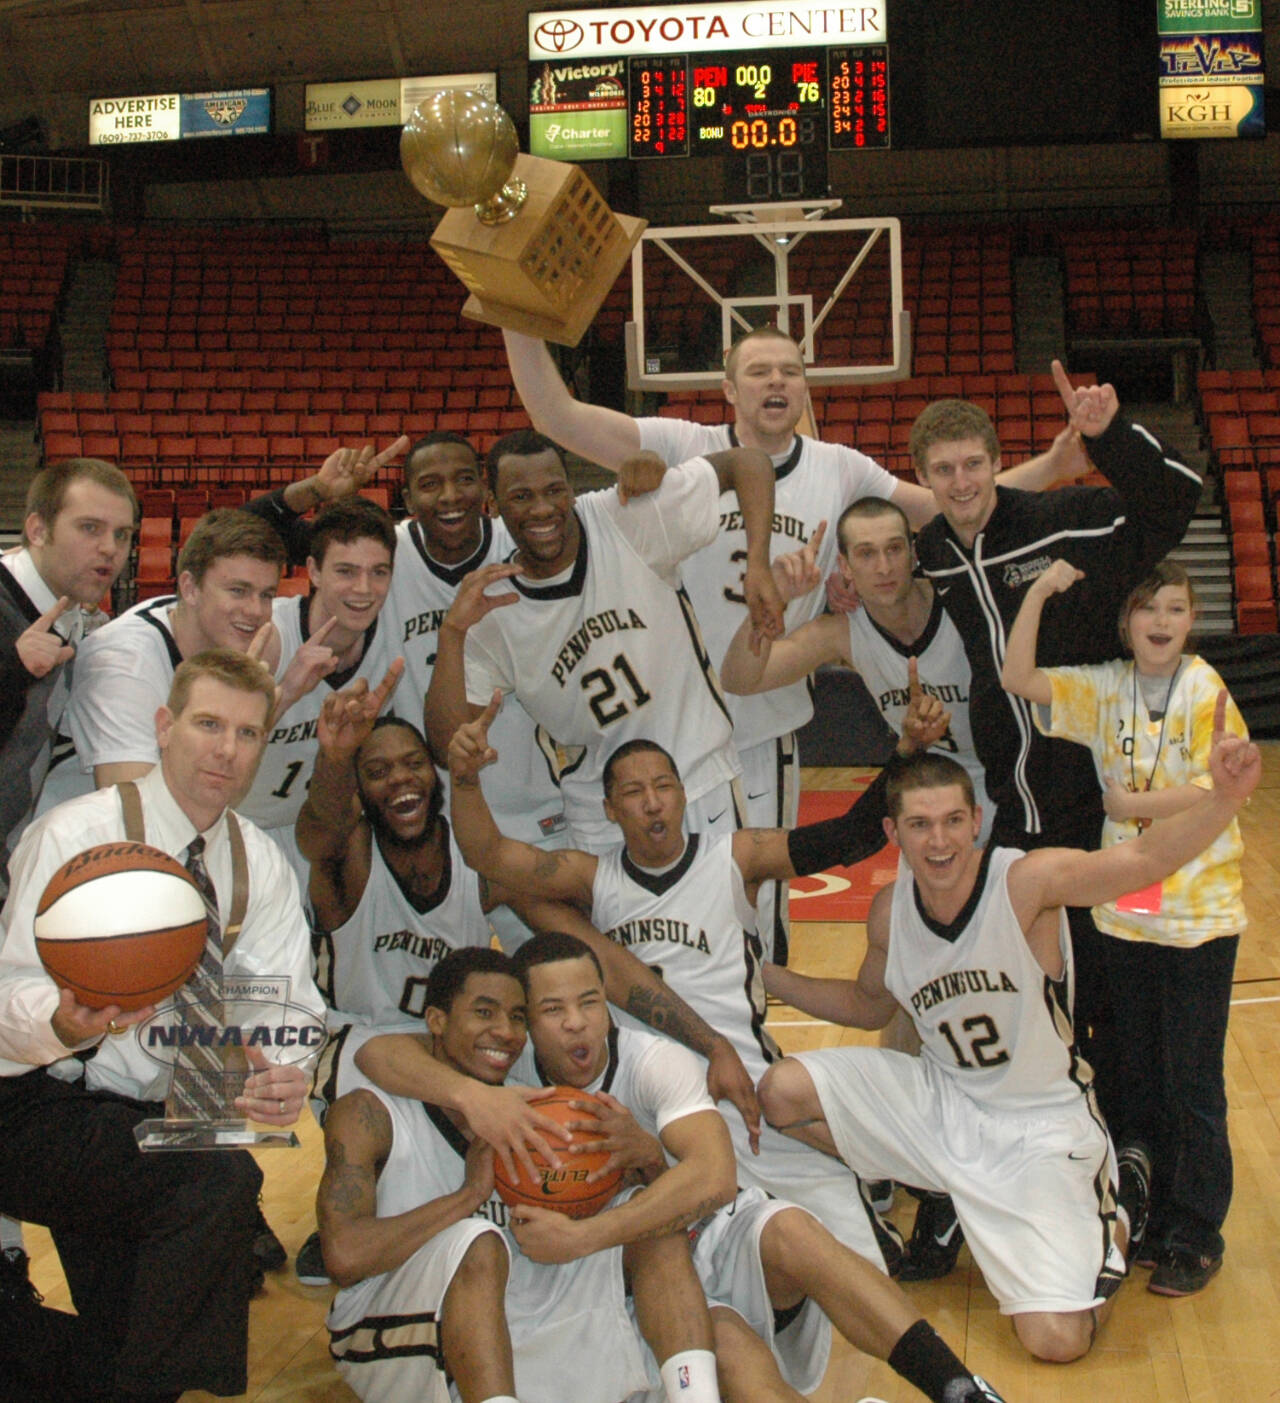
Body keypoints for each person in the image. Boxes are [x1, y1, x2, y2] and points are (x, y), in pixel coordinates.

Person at [502, 325, 1076, 963]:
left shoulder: (837, 467)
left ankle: (752, 1035)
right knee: (633, 917)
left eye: (790, 371)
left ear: (805, 388)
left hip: (758, 732)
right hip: (662, 728)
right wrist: (514, 312)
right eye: (758, 372)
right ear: (727, 388)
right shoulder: (683, 444)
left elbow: (953, 504)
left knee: (751, 911)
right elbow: (556, 415)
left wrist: (1055, 464)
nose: (776, 382)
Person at [754, 709, 1259, 1363]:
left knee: (1056, 1339)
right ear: (892, 831)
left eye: (952, 822)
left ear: (975, 821)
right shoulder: (889, 912)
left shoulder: (1025, 883)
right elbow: (866, 1004)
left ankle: (1123, 1204)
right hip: (943, 1104)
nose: (939, 841)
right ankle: (953, 1191)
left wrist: (1224, 797)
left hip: (1037, 1126)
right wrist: (766, 975)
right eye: (919, 824)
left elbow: (1144, 856)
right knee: (779, 1092)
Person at [435, 682, 950, 1274]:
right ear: (609, 810)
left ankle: (923, 1177)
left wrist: (905, 752)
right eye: (633, 792)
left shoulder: (736, 856)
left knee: (862, 1267)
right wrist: (467, 780)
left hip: (745, 1088)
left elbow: (845, 840)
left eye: (663, 787)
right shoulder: (591, 877)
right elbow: (489, 854)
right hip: (651, 1102)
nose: (652, 803)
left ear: (683, 795)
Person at [0, 649, 325, 1401]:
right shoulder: (75, 834)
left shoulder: (258, 861)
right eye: (208, 723)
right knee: (218, 1182)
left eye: (248, 733)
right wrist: (60, 1018)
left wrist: (284, 1070)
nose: (227, 749)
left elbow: (287, 1005)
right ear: (162, 725)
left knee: (129, 1332)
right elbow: (7, 992)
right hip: (31, 1100)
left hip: (146, 1117)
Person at [502, 930, 1006, 1403]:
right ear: (524, 1019)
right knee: (732, 1355)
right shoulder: (506, 1086)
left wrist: (648, 1163)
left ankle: (959, 1389)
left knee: (792, 1229)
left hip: (707, 1242)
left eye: (590, 1002)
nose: (577, 1021)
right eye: (554, 1009)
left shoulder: (651, 1062)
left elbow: (716, 1178)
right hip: (627, 1282)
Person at [319, 946, 723, 1403]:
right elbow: (344, 1257)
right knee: (477, 1240)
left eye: (516, 1017)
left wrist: (644, 1164)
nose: (505, 1032)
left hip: (504, 1317)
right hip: (387, 1321)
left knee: (647, 1219)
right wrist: (468, 1196)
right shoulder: (368, 1112)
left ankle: (696, 1397)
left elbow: (637, 1204)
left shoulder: (537, 1107)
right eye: (484, 1012)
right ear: (436, 1021)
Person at [1001, 557, 1246, 1297]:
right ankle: (1151, 1205)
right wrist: (1040, 590)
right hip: (1126, 914)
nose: (1162, 621)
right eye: (1149, 609)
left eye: (1176, 608)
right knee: (1138, 1071)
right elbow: (1019, 678)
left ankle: (1197, 1227)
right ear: (1127, 623)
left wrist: (1126, 802)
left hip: (1199, 917)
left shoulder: (1205, 687)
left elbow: (1222, 785)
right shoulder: (1105, 684)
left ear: (1191, 620)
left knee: (1193, 1078)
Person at [424, 428, 784, 853]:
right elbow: (447, 743)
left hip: (697, 781)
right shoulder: (492, 611)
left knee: (723, 920)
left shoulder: (628, 517)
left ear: (572, 492)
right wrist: (452, 634)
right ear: (493, 504)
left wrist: (758, 562)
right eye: (521, 497)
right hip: (598, 813)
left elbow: (750, 463)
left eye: (554, 490)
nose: (543, 509)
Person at [380, 431, 569, 947]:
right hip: (430, 817)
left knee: (558, 974)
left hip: (533, 806)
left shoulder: (525, 542)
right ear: (407, 498)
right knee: (453, 996)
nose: (449, 497)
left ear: (485, 490)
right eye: (430, 484)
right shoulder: (387, 559)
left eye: (464, 480)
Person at [720, 496, 992, 839]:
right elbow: (740, 679)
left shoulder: (962, 604)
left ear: (914, 553)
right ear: (844, 567)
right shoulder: (844, 630)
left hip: (1005, 781)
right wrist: (772, 601)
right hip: (929, 797)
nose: (883, 567)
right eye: (866, 553)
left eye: (894, 549)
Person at [61, 508, 288, 791]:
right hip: (86, 830)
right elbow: (133, 810)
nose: (256, 611)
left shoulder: (196, 618)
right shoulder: (123, 664)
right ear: (191, 588)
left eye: (266, 595)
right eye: (238, 591)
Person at [0, 458, 136, 877]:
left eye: (122, 534)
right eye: (89, 528)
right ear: (38, 530)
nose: (110, 549)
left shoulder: (71, 613)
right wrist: (11, 671)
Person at [238, 496, 398, 841]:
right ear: (313, 571)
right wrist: (287, 695)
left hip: (325, 829)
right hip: (243, 827)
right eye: (346, 571)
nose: (364, 589)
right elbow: (214, 751)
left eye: (379, 572)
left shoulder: (395, 638)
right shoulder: (268, 636)